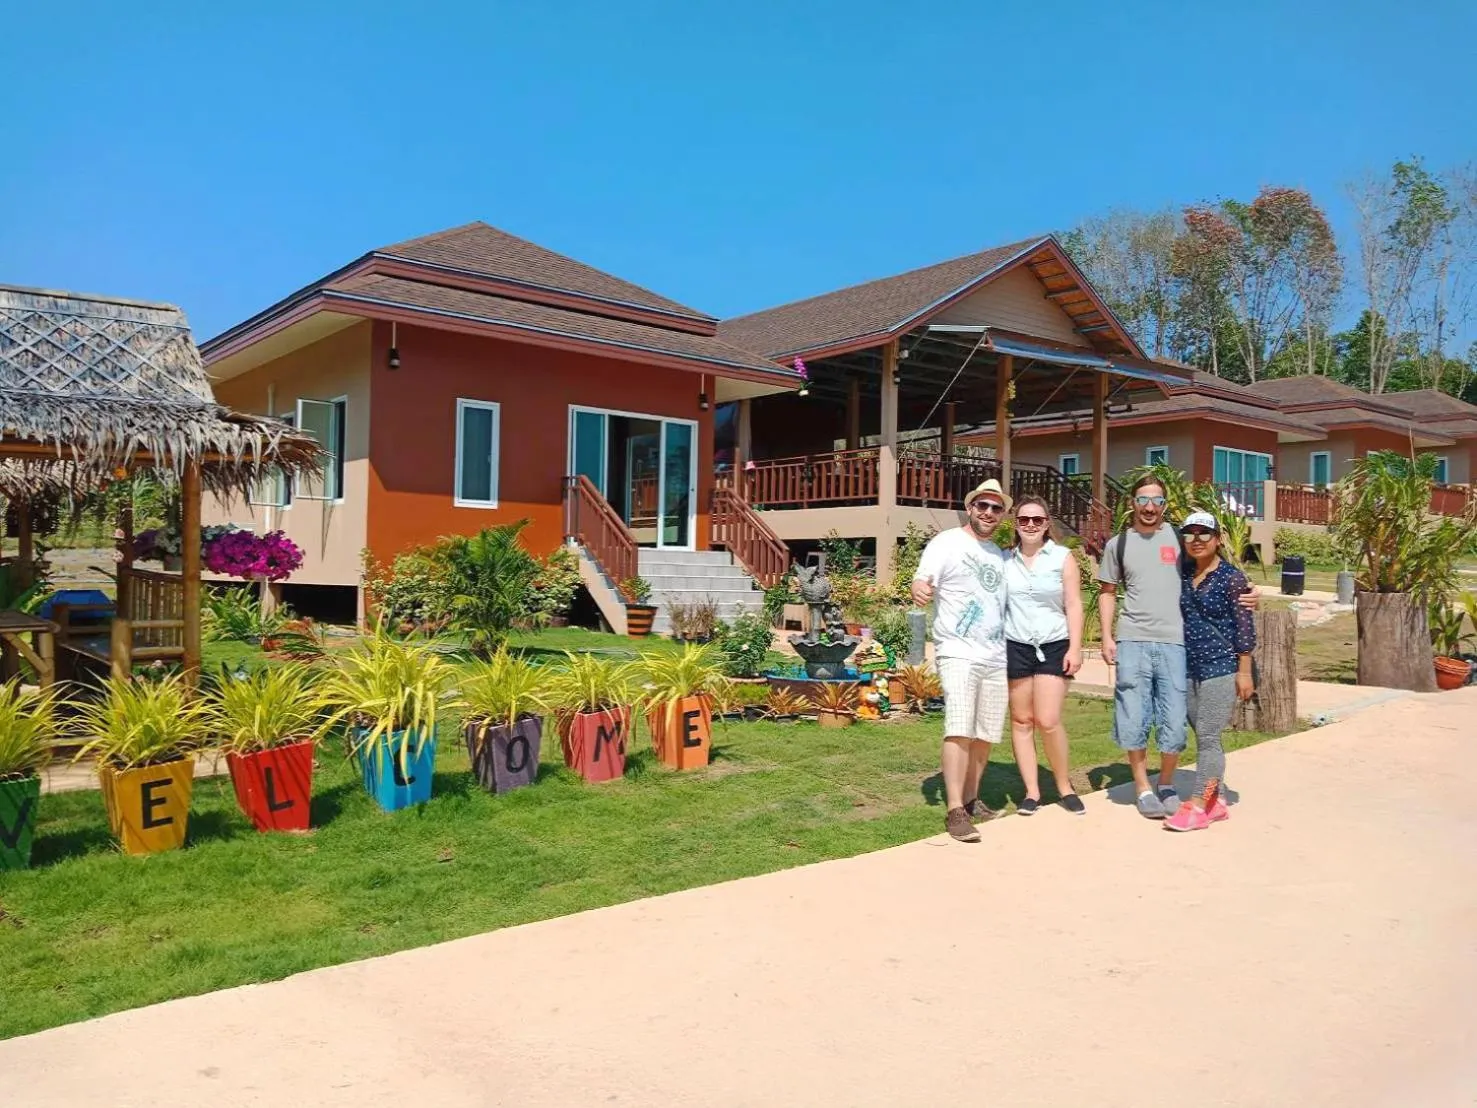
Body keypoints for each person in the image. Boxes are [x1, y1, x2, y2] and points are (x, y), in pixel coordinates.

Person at [1098, 474, 1257, 819]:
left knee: (1173, 719)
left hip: (1175, 645)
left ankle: (1167, 784)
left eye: (1156, 500)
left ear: (1165, 506)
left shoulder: (1179, 538)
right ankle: (1143, 788)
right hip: (1132, 640)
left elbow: (1213, 568)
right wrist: (1108, 636)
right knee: (1134, 716)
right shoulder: (1118, 545)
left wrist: (1249, 592)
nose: (1149, 507)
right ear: (1132, 504)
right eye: (1142, 500)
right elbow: (1107, 592)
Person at [911, 478, 1011, 843]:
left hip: (995, 655)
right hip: (957, 650)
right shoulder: (947, 542)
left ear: (1002, 515)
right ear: (970, 508)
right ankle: (954, 809)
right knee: (959, 727)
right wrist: (919, 588)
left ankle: (971, 800)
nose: (988, 512)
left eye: (995, 508)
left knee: (985, 733)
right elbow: (922, 579)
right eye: (982, 506)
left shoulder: (1000, 555)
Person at [1164, 510, 1256, 832]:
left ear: (1217, 540)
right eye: (1190, 534)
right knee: (1198, 728)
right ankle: (1216, 801)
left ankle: (1199, 806)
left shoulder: (1232, 578)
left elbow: (1245, 627)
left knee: (1208, 735)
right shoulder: (1184, 574)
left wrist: (1244, 671)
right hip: (1190, 667)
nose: (1197, 540)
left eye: (1205, 534)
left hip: (1222, 667)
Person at [1003, 495, 1087, 815]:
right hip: (1016, 645)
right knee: (1022, 720)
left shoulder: (1062, 557)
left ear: (1047, 524)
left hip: (1054, 644)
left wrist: (1076, 647)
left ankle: (1064, 786)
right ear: (1016, 524)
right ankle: (1032, 792)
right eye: (1024, 520)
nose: (1030, 525)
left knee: (1048, 720)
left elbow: (1074, 604)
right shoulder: (1005, 561)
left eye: (1037, 520)